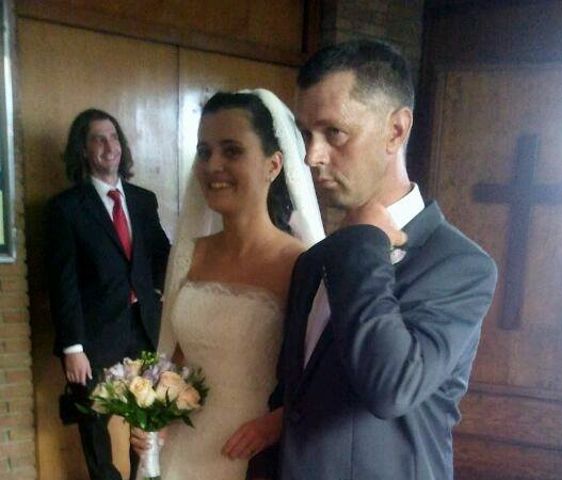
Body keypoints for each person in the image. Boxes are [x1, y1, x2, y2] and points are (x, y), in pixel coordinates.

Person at [270, 39, 498, 480]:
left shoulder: (461, 265)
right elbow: (296, 398)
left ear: (396, 130)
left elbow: (390, 386)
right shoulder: (313, 261)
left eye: (334, 133)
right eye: (305, 134)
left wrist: (363, 243)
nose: (311, 156)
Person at [130, 89, 324, 480]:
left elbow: (323, 377)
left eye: (232, 151)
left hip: (252, 453)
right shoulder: (189, 253)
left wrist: (278, 421)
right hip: (183, 449)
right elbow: (177, 353)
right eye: (204, 152)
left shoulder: (300, 263)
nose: (212, 165)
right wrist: (154, 410)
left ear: (273, 164)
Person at [46, 109, 171, 480]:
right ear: (83, 151)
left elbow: (162, 255)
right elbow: (61, 282)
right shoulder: (66, 209)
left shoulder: (143, 200)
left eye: (114, 137)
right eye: (98, 139)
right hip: (94, 337)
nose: (109, 146)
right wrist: (73, 348)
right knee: (95, 424)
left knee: (144, 418)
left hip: (143, 328)